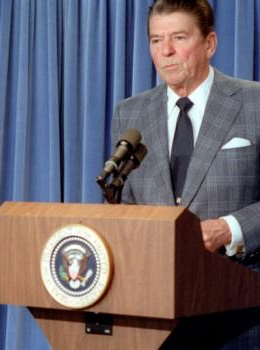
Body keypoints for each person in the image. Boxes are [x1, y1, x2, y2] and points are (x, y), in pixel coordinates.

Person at [112, 0, 260, 347]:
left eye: (178, 37)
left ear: (210, 43)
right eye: (155, 40)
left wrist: (230, 229)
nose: (166, 51)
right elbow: (125, 203)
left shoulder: (254, 104)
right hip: (156, 307)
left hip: (241, 301)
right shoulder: (130, 113)